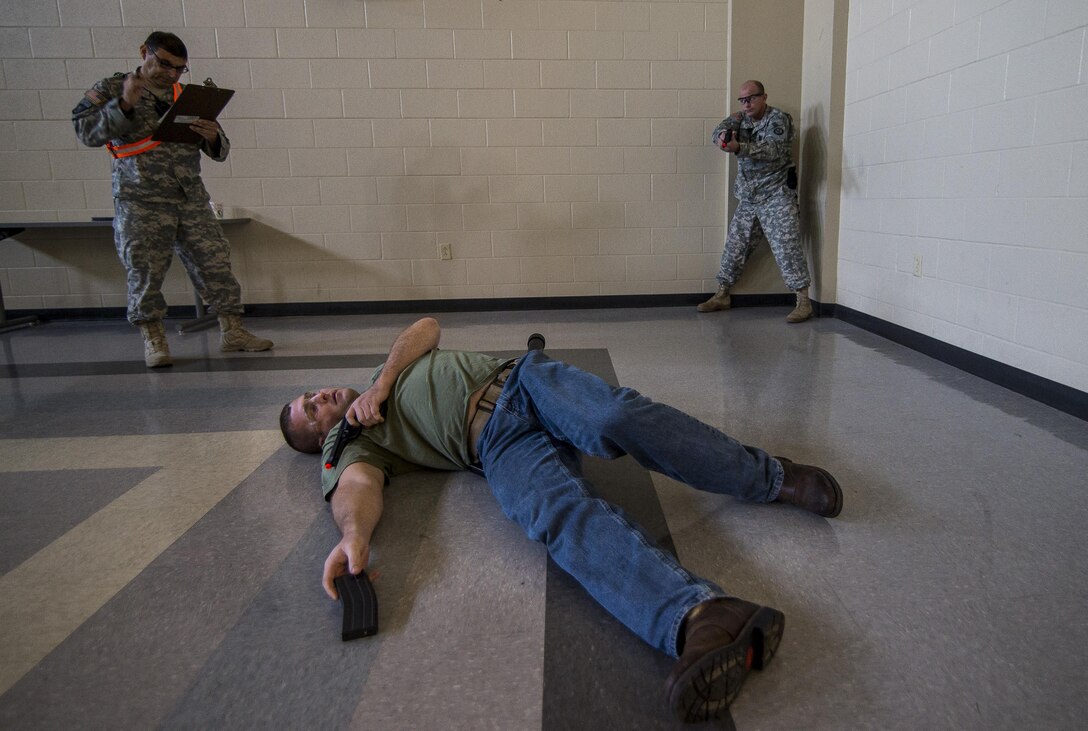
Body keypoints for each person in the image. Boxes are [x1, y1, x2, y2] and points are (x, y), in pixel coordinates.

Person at [279, 317, 844, 722]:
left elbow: (426, 327)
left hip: (522, 383)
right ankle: (702, 615)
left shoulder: (389, 368)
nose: (318, 395)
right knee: (552, 514)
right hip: (497, 448)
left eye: (311, 393)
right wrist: (353, 535)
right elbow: (354, 488)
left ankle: (769, 476)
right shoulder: (350, 443)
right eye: (310, 409)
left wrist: (382, 382)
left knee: (612, 416)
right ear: (317, 438)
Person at [72, 30, 272, 368]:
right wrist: (124, 105)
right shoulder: (112, 88)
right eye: (164, 64)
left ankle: (233, 331)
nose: (171, 74)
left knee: (216, 264)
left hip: (189, 196)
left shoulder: (186, 95)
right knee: (145, 271)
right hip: (140, 199)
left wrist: (212, 138)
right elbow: (85, 131)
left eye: (179, 68)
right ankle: (154, 338)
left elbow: (220, 149)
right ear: (144, 52)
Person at [700, 80, 813, 323]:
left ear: (764, 97)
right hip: (749, 197)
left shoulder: (779, 120)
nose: (747, 103)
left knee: (787, 245)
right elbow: (716, 133)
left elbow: (773, 151)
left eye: (751, 98)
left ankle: (803, 301)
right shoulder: (741, 119)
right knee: (735, 245)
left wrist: (739, 147)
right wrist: (724, 134)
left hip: (776, 195)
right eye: (742, 99)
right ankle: (722, 294)